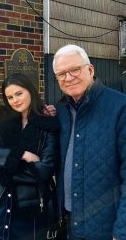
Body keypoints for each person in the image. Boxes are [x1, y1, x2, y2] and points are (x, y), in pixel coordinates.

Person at [53, 44, 126, 240]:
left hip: (105, 228)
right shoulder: (60, 111)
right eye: (61, 74)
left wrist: (121, 231)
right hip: (69, 223)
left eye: (74, 69)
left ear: (90, 69)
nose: (68, 78)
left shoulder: (120, 107)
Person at [0, 73, 59, 240]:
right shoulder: (0, 119)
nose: (15, 100)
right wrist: (22, 155)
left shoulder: (47, 123)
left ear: (30, 90)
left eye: (19, 93)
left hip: (29, 207)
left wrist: (2, 164)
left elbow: (45, 169)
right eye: (9, 97)